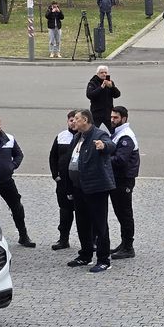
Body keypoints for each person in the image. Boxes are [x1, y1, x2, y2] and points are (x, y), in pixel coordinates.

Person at [65, 109, 115, 273]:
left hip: (96, 188)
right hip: (79, 187)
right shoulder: (78, 136)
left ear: (85, 120)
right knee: (82, 223)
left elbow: (110, 145)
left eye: (76, 119)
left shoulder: (99, 135)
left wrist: (103, 146)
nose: (73, 122)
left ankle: (103, 260)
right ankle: (85, 255)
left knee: (100, 225)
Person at [0, 114, 35, 248]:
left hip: (6, 181)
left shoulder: (9, 139)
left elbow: (19, 154)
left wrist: (12, 166)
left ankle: (23, 235)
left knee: (17, 207)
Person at [108, 106, 140, 259]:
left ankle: (128, 247)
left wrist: (103, 158)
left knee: (125, 213)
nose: (112, 120)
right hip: (118, 179)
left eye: (116, 117)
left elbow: (121, 160)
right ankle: (124, 243)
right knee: (120, 212)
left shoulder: (125, 137)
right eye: (112, 117)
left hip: (124, 179)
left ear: (124, 119)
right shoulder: (118, 133)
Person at [48, 110, 78, 250]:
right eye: (70, 120)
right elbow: (52, 157)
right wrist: (56, 175)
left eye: (75, 120)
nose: (73, 122)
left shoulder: (85, 136)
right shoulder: (61, 136)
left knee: (84, 212)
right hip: (63, 182)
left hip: (78, 182)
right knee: (65, 211)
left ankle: (91, 240)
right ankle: (63, 239)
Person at [86, 64, 121, 131]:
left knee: (113, 130)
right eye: (101, 72)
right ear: (97, 74)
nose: (104, 74)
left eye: (105, 72)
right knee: (92, 131)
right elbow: (90, 95)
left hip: (108, 112)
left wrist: (112, 87)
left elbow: (117, 95)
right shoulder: (92, 83)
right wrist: (101, 87)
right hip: (96, 113)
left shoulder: (110, 82)